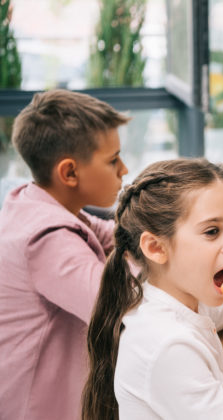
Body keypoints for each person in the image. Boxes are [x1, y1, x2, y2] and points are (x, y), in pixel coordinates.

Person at [81, 158, 223, 420]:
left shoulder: (175, 297)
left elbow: (221, 314)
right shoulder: (169, 346)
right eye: (212, 231)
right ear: (156, 248)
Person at [0, 89, 129, 420]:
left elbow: (120, 238)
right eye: (113, 160)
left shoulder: (36, 203)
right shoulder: (47, 238)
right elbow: (119, 305)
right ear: (69, 173)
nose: (124, 169)